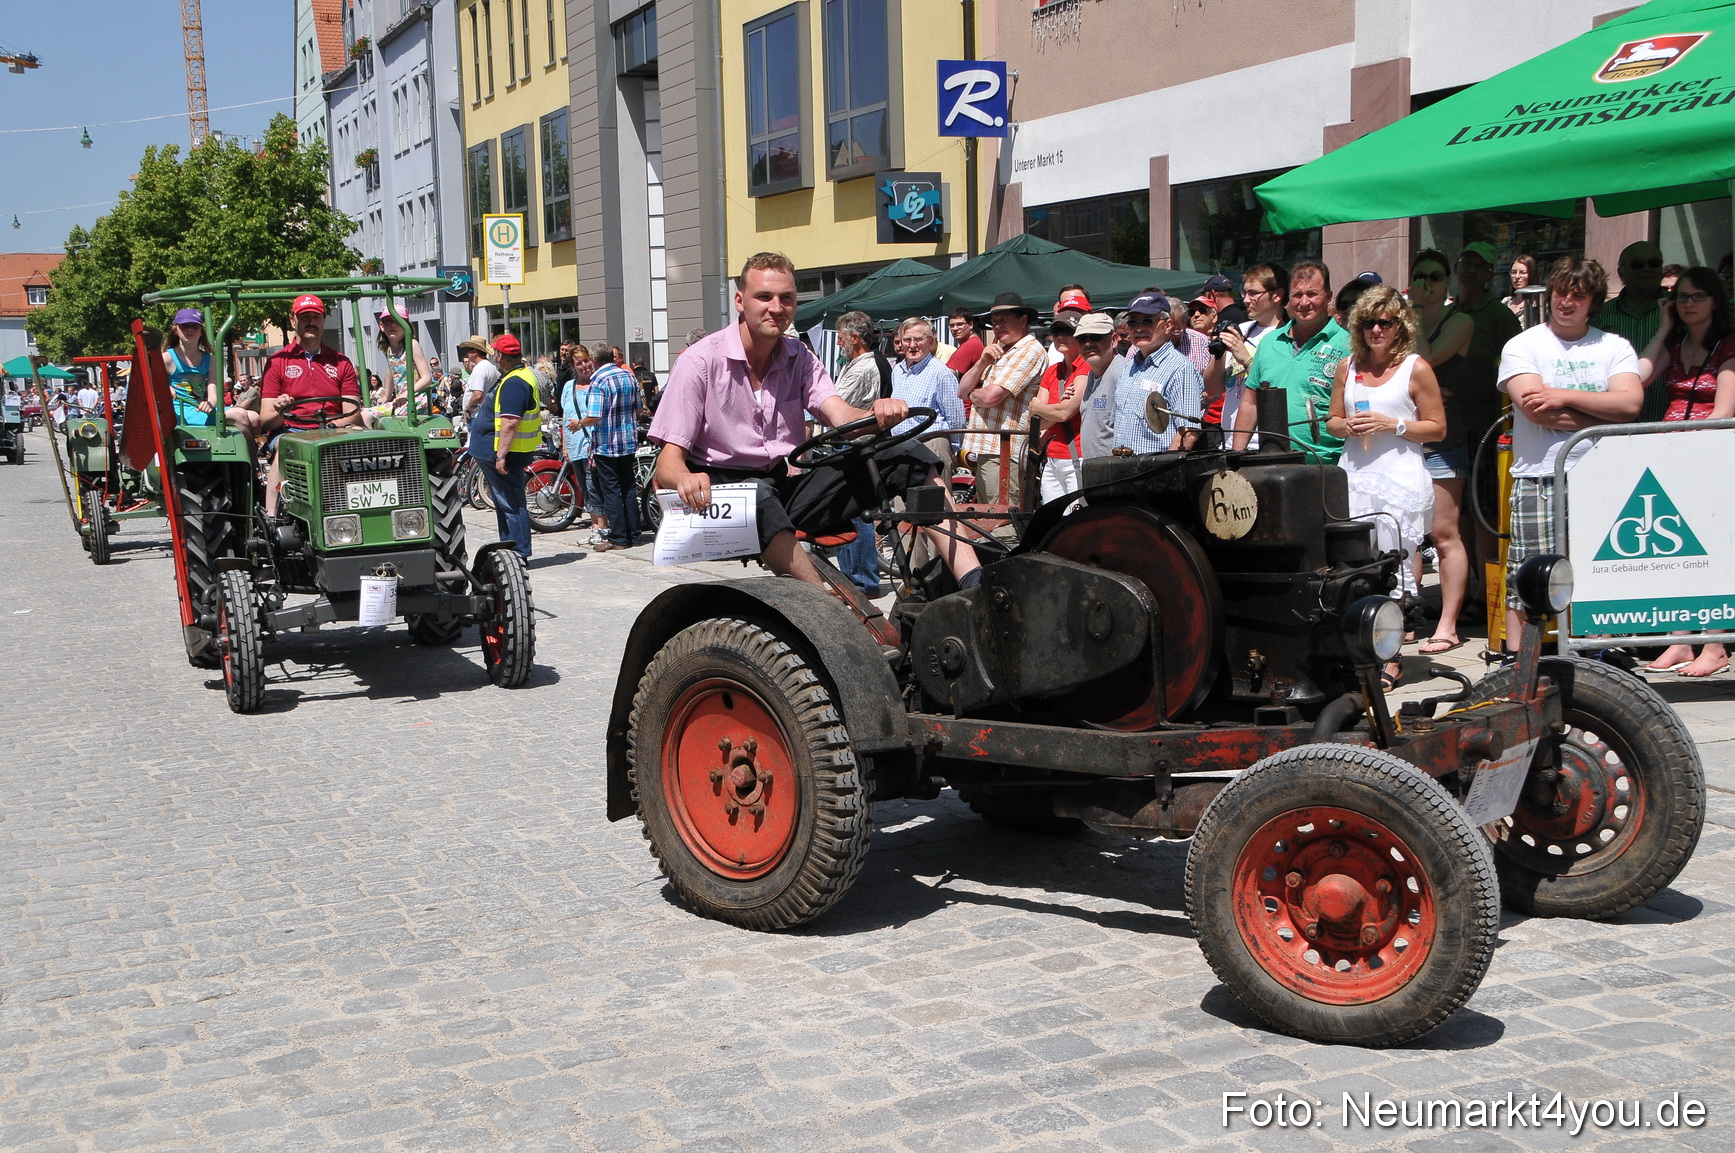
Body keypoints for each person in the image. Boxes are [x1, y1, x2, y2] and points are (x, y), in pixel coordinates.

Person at [649, 251, 981, 591]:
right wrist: (686, 479)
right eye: (764, 296)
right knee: (757, 496)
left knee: (908, 455)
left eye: (786, 298)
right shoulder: (700, 362)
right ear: (740, 301)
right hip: (722, 495)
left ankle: (974, 581)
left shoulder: (800, 357)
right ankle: (826, 607)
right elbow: (667, 461)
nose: (776, 307)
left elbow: (841, 416)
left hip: (781, 484)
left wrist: (876, 414)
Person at [1498, 257, 1643, 656]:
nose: (1566, 302)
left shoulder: (1614, 347)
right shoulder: (1523, 345)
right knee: (1528, 573)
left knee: (1595, 568)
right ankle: (1519, 662)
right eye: (1561, 292)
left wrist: (1561, 395)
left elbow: (1630, 404)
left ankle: (1593, 656)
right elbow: (1534, 410)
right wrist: (1602, 416)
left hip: (1599, 478)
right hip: (1539, 475)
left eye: (1578, 296)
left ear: (1593, 301)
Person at [1326, 285, 1447, 690]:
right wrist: (1348, 425)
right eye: (1368, 322)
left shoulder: (1416, 368)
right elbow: (1332, 421)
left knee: (1395, 569)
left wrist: (1392, 424)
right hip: (1356, 475)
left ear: (1401, 325)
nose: (1376, 330)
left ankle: (1391, 657)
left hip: (1399, 479)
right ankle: (1361, 652)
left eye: (1385, 322)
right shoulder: (1348, 366)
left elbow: (1437, 428)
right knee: (1356, 569)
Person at [1632, 267, 1735, 677]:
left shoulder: (1729, 346)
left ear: (1715, 300)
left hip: (1710, 454)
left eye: (1697, 296)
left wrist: (1690, 445)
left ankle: (1715, 644)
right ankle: (1680, 639)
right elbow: (1638, 378)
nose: (1688, 303)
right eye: (1681, 297)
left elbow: (1724, 409)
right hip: (1671, 454)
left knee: (1713, 547)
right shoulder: (1675, 343)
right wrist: (1662, 329)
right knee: (1678, 547)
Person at [1409, 249, 1476, 655]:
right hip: (1406, 439)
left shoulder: (1460, 320)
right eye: (1420, 276)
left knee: (1443, 534)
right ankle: (1408, 619)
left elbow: (1425, 359)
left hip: (1444, 441)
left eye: (1435, 276)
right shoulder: (1399, 321)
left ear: (1448, 280)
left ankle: (1448, 625)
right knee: (1407, 536)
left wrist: (1415, 312)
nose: (1428, 284)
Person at [259, 295, 362, 516]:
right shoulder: (277, 362)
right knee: (283, 448)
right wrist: (280, 410)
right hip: (292, 430)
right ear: (293, 321)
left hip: (335, 430)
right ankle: (271, 516)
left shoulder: (341, 362)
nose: (311, 322)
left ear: (323, 320)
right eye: (305, 317)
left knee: (365, 444)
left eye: (316, 317)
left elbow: (353, 413)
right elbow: (266, 420)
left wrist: (330, 427)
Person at [1239, 260, 1350, 463]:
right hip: (1273, 462)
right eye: (1297, 295)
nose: (1304, 302)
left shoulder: (1348, 345)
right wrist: (1236, 455)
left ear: (1329, 297)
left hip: (1326, 465)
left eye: (1312, 294)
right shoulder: (1270, 342)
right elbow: (1250, 401)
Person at [957, 292, 1048, 508]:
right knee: (988, 516)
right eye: (994, 322)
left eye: (1004, 320)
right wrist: (982, 361)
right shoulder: (999, 351)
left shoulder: (1029, 350)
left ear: (1023, 320)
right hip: (990, 449)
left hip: (1006, 452)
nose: (998, 326)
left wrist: (972, 394)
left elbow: (990, 397)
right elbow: (961, 390)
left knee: (1002, 518)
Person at [466, 333, 541, 560]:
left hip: (504, 454)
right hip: (499, 452)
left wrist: (500, 456)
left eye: (496, 353)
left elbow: (510, 423)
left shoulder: (515, 382)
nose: (495, 357)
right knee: (505, 503)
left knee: (511, 504)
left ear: (501, 356)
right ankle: (510, 550)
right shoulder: (514, 377)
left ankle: (518, 553)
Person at [829, 310, 888, 595]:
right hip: (851, 444)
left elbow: (834, 405)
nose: (838, 343)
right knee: (847, 511)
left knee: (857, 512)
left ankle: (863, 581)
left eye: (841, 338)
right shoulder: (859, 363)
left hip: (857, 445)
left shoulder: (865, 366)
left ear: (854, 338)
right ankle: (852, 579)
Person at [572, 346, 642, 552]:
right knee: (628, 487)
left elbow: (595, 415)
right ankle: (634, 534)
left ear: (594, 359)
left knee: (611, 491)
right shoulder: (628, 376)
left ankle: (618, 537)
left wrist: (579, 424)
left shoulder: (599, 380)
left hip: (607, 444)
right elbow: (639, 409)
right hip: (627, 441)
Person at [1113, 293, 1203, 453]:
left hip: (1155, 467)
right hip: (1121, 466)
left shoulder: (1180, 369)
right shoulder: (1129, 367)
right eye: (1132, 322)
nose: (1139, 328)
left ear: (1168, 325)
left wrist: (1164, 467)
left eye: (1148, 321)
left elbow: (1188, 434)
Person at [1594, 241, 1669, 423]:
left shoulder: (1678, 309)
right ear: (1621, 273)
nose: (1647, 269)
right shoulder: (1601, 314)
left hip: (1668, 421)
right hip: (1615, 423)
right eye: (1638, 264)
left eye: (1654, 263)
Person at [1220, 263, 1289, 451]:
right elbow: (1213, 389)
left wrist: (1247, 360)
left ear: (1277, 295)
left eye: (1253, 293)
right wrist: (1218, 355)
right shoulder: (1241, 330)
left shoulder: (1287, 336)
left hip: (1263, 443)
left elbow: (1276, 390)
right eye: (1244, 293)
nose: (1245, 300)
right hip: (1230, 440)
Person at [162, 308, 261, 437]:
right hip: (179, 411)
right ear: (176, 330)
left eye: (195, 326)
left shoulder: (210, 360)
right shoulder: (166, 358)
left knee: (254, 417)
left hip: (200, 408)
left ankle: (254, 447)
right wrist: (166, 388)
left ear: (201, 331)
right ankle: (248, 450)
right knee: (239, 414)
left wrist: (210, 403)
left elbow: (213, 391)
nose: (190, 330)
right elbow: (152, 384)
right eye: (184, 326)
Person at [888, 317, 965, 472]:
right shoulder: (897, 370)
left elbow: (956, 419)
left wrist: (953, 450)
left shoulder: (941, 373)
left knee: (933, 489)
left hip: (931, 446)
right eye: (907, 340)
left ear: (930, 342)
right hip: (901, 447)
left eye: (918, 339)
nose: (912, 345)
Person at [1028, 314, 1090, 504]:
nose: (1060, 337)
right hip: (1052, 458)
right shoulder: (1052, 371)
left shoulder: (1086, 367)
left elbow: (1064, 412)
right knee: (1052, 517)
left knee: (1077, 517)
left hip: (1077, 457)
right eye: (1056, 332)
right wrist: (1055, 409)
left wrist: (1041, 407)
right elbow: (1036, 421)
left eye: (1067, 331)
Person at [371, 309, 433, 421]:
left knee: (369, 416)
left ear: (406, 325)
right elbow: (391, 371)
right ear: (382, 326)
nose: (393, 325)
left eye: (398, 321)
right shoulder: (388, 349)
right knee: (364, 414)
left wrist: (406, 394)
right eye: (388, 321)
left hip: (417, 400)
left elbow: (427, 378)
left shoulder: (411, 345)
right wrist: (387, 396)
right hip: (400, 401)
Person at [457, 335, 498, 428]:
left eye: (469, 350)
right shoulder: (490, 366)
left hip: (477, 416)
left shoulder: (480, 369)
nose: (467, 353)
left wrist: (468, 410)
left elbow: (477, 395)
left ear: (475, 352)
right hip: (486, 414)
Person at [945, 309, 983, 376]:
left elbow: (947, 375)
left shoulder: (971, 345)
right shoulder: (970, 343)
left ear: (970, 325)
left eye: (960, 324)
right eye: (952, 325)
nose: (955, 328)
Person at [1504, 254, 1541, 325]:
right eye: (1514, 272)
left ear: (1531, 275)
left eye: (1522, 272)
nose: (1517, 276)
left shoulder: (1538, 305)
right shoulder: (1504, 303)